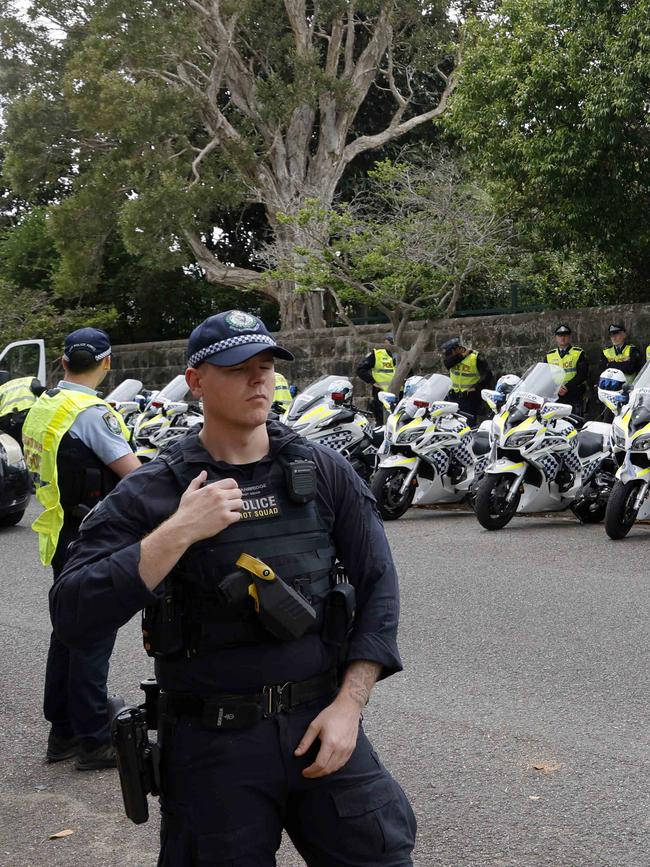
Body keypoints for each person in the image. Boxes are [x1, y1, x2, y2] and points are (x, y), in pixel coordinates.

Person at [50, 309, 416, 866]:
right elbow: (74, 612)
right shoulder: (155, 490)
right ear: (196, 381)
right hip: (212, 747)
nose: (258, 380)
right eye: (237, 367)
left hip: (322, 722)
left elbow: (378, 588)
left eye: (266, 366)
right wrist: (176, 533)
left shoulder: (322, 470)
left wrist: (350, 704)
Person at [22, 327, 141, 771]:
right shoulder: (91, 411)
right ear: (107, 363)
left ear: (63, 361)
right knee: (92, 633)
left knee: (69, 630)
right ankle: (94, 738)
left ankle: (64, 731)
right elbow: (131, 474)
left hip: (59, 529)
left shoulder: (46, 404)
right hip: (93, 535)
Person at [441, 337, 492, 423]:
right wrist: (462, 355)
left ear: (456, 349)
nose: (449, 355)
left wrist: (476, 387)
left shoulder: (475, 357)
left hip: (469, 397)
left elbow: (487, 375)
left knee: (468, 424)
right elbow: (447, 363)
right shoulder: (453, 360)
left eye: (450, 353)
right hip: (454, 397)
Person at [545, 324, 589, 415]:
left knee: (574, 422)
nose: (562, 338)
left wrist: (567, 387)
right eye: (560, 335)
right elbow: (545, 375)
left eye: (565, 335)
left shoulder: (578, 353)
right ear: (556, 338)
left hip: (573, 392)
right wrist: (557, 388)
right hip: (555, 394)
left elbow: (582, 374)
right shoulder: (549, 355)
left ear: (569, 337)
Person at [356, 333, 397, 425]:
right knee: (382, 423)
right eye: (388, 341)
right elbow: (360, 370)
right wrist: (372, 381)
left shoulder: (402, 356)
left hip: (399, 395)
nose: (389, 344)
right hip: (382, 396)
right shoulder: (377, 354)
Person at [0, 369, 43, 444]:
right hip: (27, 416)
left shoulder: (1, 388)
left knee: (11, 447)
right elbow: (38, 389)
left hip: (6, 421)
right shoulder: (30, 379)